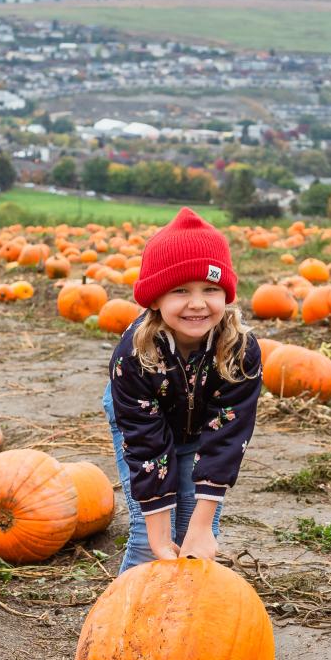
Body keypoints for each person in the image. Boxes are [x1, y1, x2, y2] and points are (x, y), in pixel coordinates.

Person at [103, 208, 263, 574]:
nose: (197, 303)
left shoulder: (240, 350)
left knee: (196, 531)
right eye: (180, 290)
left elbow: (227, 436)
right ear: (155, 299)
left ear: (226, 293)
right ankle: (126, 626)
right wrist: (159, 537)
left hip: (203, 425)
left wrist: (203, 526)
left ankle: (189, 621)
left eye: (210, 289)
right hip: (143, 420)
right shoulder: (134, 356)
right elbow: (146, 445)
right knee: (149, 537)